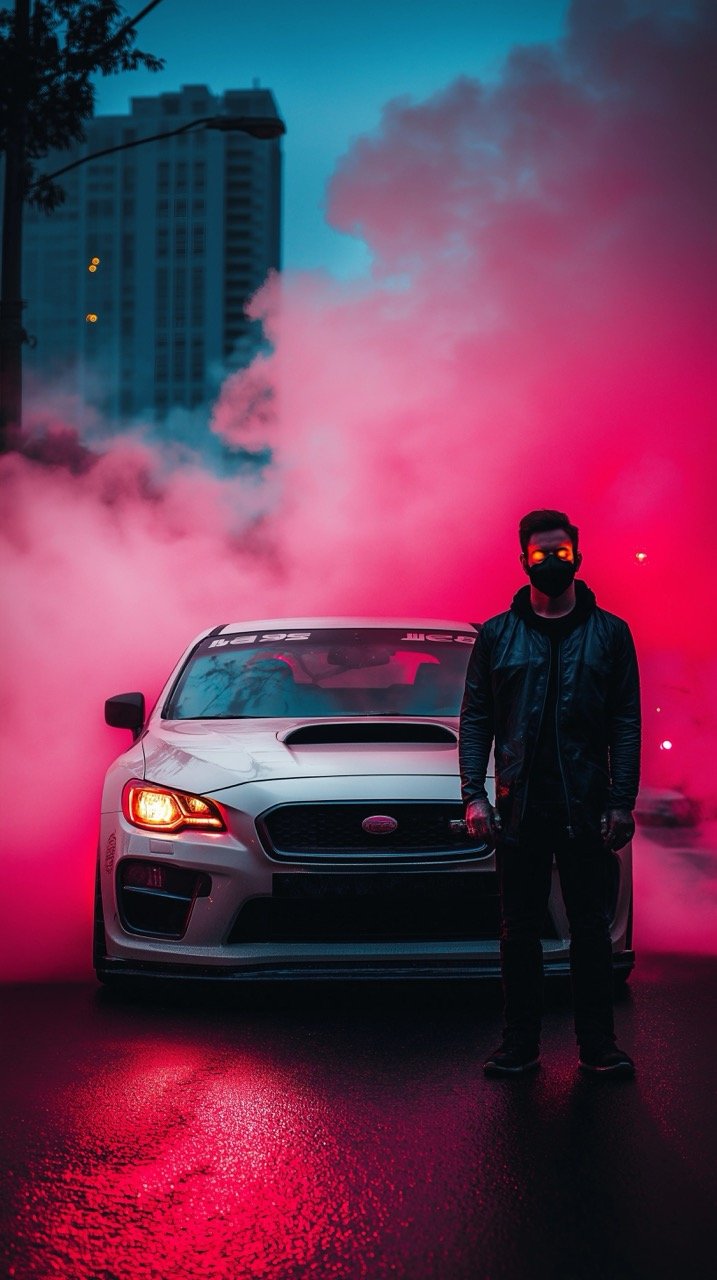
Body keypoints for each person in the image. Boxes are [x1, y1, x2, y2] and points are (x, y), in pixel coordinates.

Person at [459, 509, 640, 1076]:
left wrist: (621, 801)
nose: (553, 562)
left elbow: (625, 722)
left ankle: (598, 1046)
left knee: (589, 928)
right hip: (520, 806)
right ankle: (520, 1045)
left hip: (586, 804)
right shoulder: (495, 635)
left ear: (579, 557)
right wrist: (474, 794)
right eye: (542, 554)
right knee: (519, 930)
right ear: (523, 560)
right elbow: (476, 719)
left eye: (562, 552)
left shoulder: (611, 634)